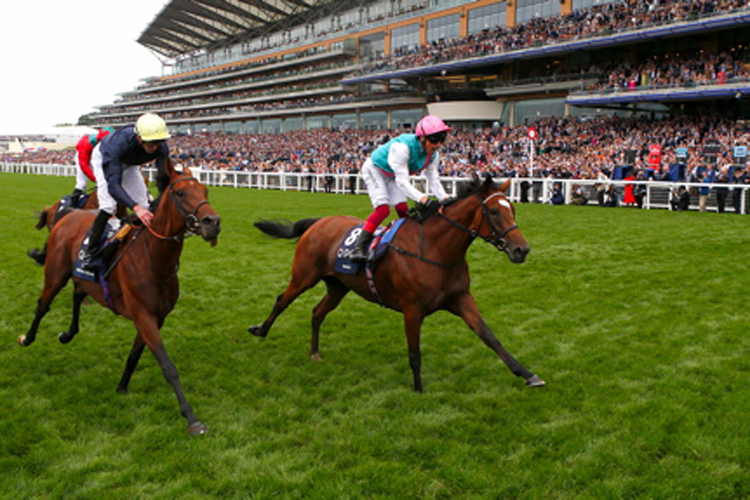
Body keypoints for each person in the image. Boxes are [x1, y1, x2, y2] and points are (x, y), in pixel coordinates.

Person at [76, 113, 171, 278]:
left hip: (131, 163)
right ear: (139, 137)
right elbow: (114, 186)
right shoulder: (118, 145)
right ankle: (88, 252)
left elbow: (163, 178)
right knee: (108, 206)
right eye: (151, 143)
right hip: (105, 157)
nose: (156, 147)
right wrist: (135, 208)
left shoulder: (161, 147)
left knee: (146, 206)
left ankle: (144, 249)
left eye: (159, 142)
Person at [349, 115, 451, 262]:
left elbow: (434, 180)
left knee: (403, 210)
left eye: (443, 139)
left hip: (392, 174)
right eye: (434, 140)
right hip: (375, 169)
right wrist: (424, 200)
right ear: (421, 138)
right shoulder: (402, 148)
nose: (438, 144)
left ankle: (409, 243)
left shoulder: (434, 155)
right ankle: (358, 248)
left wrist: (445, 199)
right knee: (383, 210)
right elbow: (403, 183)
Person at [71, 127, 114, 206]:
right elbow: (84, 167)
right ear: (99, 140)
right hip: (83, 157)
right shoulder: (85, 144)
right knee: (82, 183)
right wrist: (96, 179)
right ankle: (72, 208)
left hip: (95, 156)